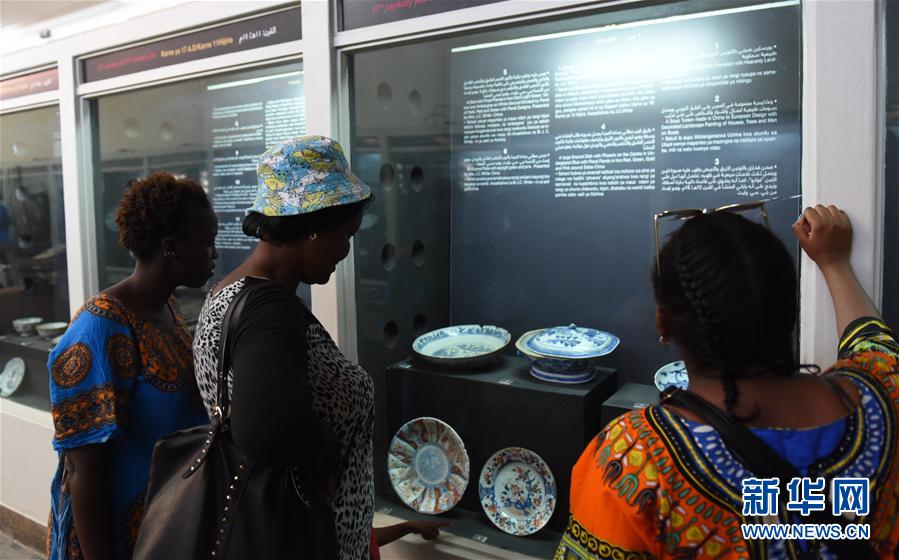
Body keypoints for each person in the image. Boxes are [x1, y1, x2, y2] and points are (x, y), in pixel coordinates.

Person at [555, 205, 898, 559]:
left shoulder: (633, 459)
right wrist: (834, 263)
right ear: (789, 309)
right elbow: (872, 341)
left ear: (662, 324)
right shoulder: (884, 395)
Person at [192, 135, 375, 560]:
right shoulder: (268, 310)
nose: (345, 250)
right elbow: (265, 432)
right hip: (306, 539)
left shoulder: (227, 292)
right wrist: (326, 460)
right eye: (346, 234)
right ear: (314, 225)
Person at [47, 172, 217, 559]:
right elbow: (83, 469)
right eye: (208, 243)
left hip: (167, 526)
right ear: (171, 248)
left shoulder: (166, 308)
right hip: (117, 540)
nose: (215, 254)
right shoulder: (99, 329)